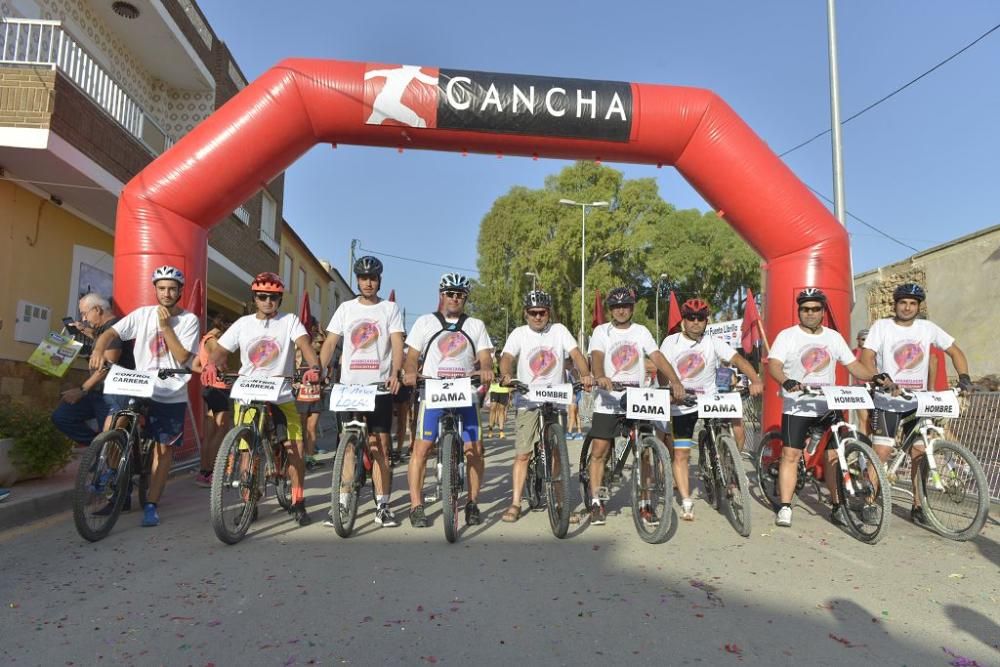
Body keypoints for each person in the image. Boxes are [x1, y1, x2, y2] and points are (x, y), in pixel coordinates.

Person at [206, 272, 321, 527]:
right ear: (254, 298)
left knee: (295, 450)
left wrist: (314, 366)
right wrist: (211, 365)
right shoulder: (243, 324)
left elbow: (305, 346)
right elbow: (219, 350)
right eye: (262, 297)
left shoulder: (289, 321)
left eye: (273, 297)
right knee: (247, 451)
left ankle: (298, 500)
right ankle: (249, 502)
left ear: (279, 299)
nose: (268, 301)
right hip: (248, 393)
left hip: (280, 394)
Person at [90, 266, 200, 528]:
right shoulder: (142, 314)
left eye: (172, 288)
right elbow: (111, 332)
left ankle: (151, 504)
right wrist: (98, 347)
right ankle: (116, 483)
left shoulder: (188, 320)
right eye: (162, 288)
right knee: (119, 423)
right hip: (141, 384)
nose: (167, 293)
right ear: (155, 290)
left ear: (180, 291)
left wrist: (165, 326)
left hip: (171, 390)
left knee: (163, 450)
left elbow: (184, 357)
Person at [859, 282, 972, 527]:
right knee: (882, 452)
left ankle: (918, 506)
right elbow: (867, 357)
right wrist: (879, 377)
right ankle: (869, 500)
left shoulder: (927, 328)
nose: (908, 307)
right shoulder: (882, 327)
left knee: (920, 454)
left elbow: (955, 351)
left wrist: (964, 378)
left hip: (917, 400)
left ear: (919, 307)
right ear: (896, 304)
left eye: (913, 304)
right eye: (903, 302)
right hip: (888, 399)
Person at [767, 288, 881, 529]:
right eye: (805, 309)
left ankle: (838, 506)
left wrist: (877, 377)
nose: (810, 313)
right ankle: (785, 506)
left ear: (822, 311)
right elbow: (774, 365)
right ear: (799, 311)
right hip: (798, 405)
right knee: (791, 455)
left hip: (829, 404)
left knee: (834, 456)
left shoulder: (833, 337)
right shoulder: (787, 336)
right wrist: (785, 380)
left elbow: (854, 366)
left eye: (815, 309)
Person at [657, 298, 764, 521]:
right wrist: (666, 390)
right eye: (691, 318)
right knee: (682, 453)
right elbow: (661, 369)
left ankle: (729, 467)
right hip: (682, 402)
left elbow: (737, 360)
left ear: (706, 321)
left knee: (738, 429)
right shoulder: (671, 342)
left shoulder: (712, 341)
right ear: (683, 320)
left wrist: (755, 379)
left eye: (701, 318)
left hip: (710, 400)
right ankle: (686, 500)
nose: (696, 322)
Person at [586, 287, 685, 526]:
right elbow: (596, 357)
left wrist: (675, 381)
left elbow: (657, 356)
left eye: (626, 306)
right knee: (600, 449)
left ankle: (645, 504)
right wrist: (600, 376)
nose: (621, 310)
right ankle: (597, 502)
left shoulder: (641, 331)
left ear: (632, 308)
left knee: (645, 453)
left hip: (638, 399)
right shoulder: (602, 331)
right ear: (611, 309)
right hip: (609, 399)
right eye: (616, 306)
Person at [402, 273, 494, 527]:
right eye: (450, 294)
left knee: (474, 450)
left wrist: (486, 368)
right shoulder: (424, 322)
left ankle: (472, 503)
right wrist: (410, 372)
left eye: (460, 295)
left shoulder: (475, 325)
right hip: (433, 391)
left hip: (466, 391)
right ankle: (416, 505)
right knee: (421, 448)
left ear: (465, 298)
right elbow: (412, 356)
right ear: (442, 295)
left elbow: (485, 356)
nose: (455, 299)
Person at [320, 256, 404, 528]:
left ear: (379, 280)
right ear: (357, 280)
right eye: (363, 278)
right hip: (349, 387)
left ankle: (383, 505)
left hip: (378, 387)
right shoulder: (345, 308)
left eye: (373, 278)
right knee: (346, 449)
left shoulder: (389, 309)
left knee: (381, 447)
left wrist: (395, 372)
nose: (368, 282)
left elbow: (396, 342)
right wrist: (318, 369)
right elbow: (331, 341)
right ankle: (341, 505)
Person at [498, 290, 593, 523]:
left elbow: (576, 354)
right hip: (528, 400)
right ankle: (515, 503)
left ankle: (562, 503)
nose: (538, 317)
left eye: (542, 313)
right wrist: (506, 374)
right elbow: (507, 357)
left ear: (548, 313)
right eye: (533, 313)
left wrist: (587, 374)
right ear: (525, 314)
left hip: (556, 398)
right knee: (523, 454)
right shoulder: (519, 333)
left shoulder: (559, 330)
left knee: (558, 457)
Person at [52, 293, 133, 447]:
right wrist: (90, 335)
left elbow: (107, 366)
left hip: (113, 394)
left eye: (84, 313)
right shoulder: (100, 332)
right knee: (62, 416)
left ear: (97, 309)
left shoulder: (115, 329)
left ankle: (108, 464)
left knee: (109, 437)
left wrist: (82, 390)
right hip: (96, 391)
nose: (83, 319)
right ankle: (97, 450)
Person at [191, 315, 232, 487]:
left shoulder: (203, 340)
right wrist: (226, 372)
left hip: (209, 388)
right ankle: (214, 472)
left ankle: (204, 472)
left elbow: (194, 366)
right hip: (219, 388)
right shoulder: (214, 341)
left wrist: (208, 374)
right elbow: (221, 362)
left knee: (209, 434)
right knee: (221, 430)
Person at [294, 320, 328, 470]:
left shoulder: (321, 359)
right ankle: (299, 457)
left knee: (312, 427)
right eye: (316, 342)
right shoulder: (299, 353)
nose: (319, 344)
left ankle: (309, 457)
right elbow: (292, 370)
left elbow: (325, 375)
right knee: (301, 428)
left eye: (320, 342)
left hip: (315, 395)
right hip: (301, 396)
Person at [850, 328, 871, 436]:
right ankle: (864, 446)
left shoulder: (875, 352)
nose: (866, 342)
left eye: (869, 339)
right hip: (859, 388)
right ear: (858, 340)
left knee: (874, 422)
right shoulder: (853, 352)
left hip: (875, 389)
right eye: (863, 339)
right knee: (864, 419)